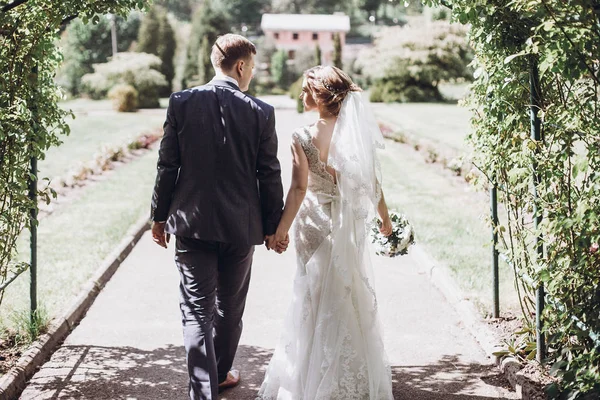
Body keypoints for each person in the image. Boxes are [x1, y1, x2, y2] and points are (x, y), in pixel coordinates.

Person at [150, 33, 288, 400]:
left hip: (192, 224)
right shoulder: (261, 112)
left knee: (196, 312)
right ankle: (220, 371)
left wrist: (159, 215)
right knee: (229, 310)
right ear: (240, 66)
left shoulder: (181, 102)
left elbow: (168, 165)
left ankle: (204, 390)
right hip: (241, 229)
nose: (252, 75)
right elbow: (269, 173)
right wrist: (274, 228)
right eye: (253, 68)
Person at [258, 66, 394, 399]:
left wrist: (280, 230)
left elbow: (299, 189)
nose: (302, 95)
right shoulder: (355, 135)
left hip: (314, 225)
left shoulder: (302, 137)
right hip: (347, 225)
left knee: (312, 295)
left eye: (306, 90)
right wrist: (385, 219)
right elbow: (372, 183)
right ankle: (350, 376)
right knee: (346, 293)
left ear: (320, 96)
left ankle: (310, 376)